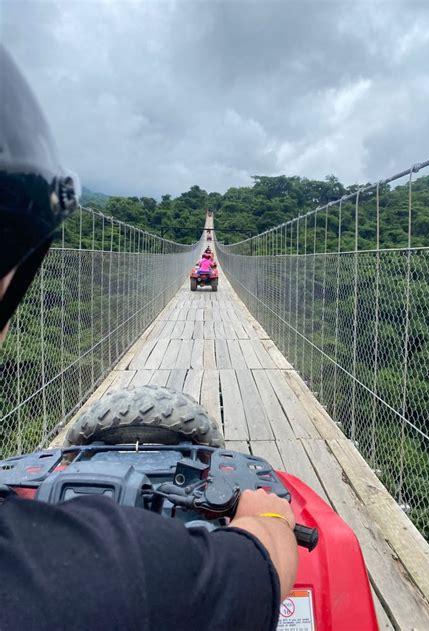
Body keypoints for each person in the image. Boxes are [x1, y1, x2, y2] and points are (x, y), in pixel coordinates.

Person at [0, 46, 298, 630]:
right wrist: (268, 520)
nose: (206, 260)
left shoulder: (209, 260)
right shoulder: (118, 578)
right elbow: (261, 562)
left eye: (206, 256)